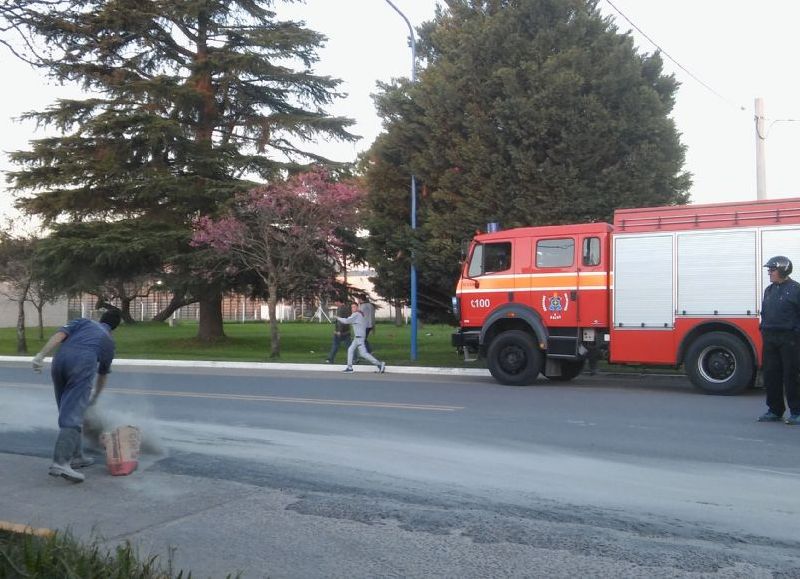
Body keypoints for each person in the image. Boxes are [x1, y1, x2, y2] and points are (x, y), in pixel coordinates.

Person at [32, 309, 121, 482]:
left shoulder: (82, 322)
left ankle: (77, 456)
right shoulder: (108, 342)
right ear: (115, 327)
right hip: (82, 364)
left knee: (66, 409)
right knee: (73, 414)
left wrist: (41, 355)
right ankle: (61, 462)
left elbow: (59, 336)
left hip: (59, 362)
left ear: (100, 318)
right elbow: (102, 376)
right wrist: (95, 397)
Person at [757, 255, 800, 425]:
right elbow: (765, 312)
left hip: (790, 339)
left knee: (792, 375)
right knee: (771, 375)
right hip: (770, 337)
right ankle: (774, 410)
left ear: (783, 270)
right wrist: (763, 328)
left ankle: (796, 411)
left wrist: (796, 333)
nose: (769, 273)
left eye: (772, 269)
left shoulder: (796, 289)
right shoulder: (769, 290)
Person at [336, 302, 386, 374]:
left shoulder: (356, 314)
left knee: (363, 353)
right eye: (352, 307)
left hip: (359, 337)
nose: (353, 308)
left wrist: (338, 318)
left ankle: (380, 364)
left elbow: (347, 321)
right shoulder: (360, 314)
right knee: (350, 350)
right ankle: (349, 367)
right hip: (358, 336)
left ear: (357, 307)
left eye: (354, 307)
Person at [325, 299, 352, 364]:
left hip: (340, 331)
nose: (335, 304)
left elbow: (340, 320)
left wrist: (339, 331)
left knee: (335, 345)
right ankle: (354, 358)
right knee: (349, 346)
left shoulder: (340, 309)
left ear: (339, 302)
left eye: (336, 302)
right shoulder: (347, 308)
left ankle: (330, 359)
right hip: (347, 329)